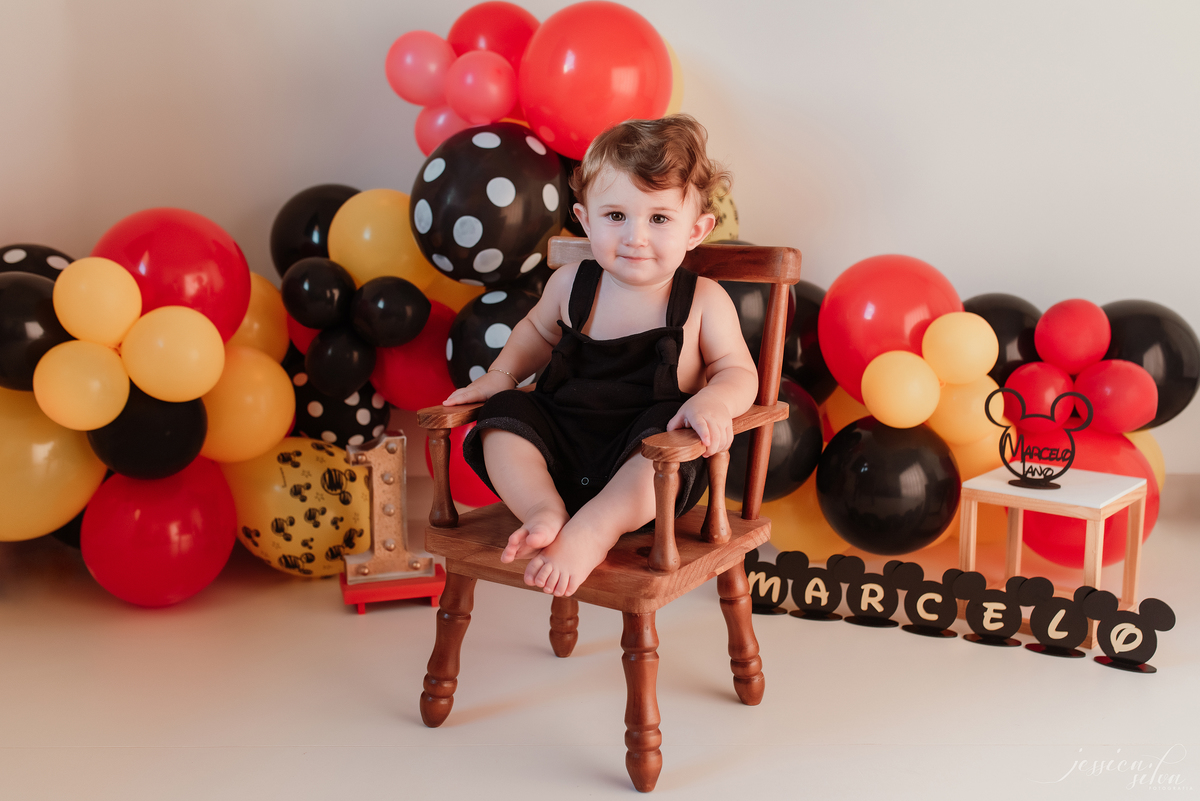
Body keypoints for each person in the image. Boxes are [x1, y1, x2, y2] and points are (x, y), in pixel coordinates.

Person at [446, 114, 758, 598]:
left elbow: (737, 370)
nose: (635, 236)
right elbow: (535, 333)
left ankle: (594, 529)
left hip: (645, 468)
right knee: (502, 416)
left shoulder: (703, 300)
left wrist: (715, 400)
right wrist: (501, 374)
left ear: (696, 230)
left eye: (659, 219)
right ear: (585, 219)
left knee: (661, 441)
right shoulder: (570, 284)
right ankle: (543, 509)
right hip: (560, 443)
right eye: (616, 216)